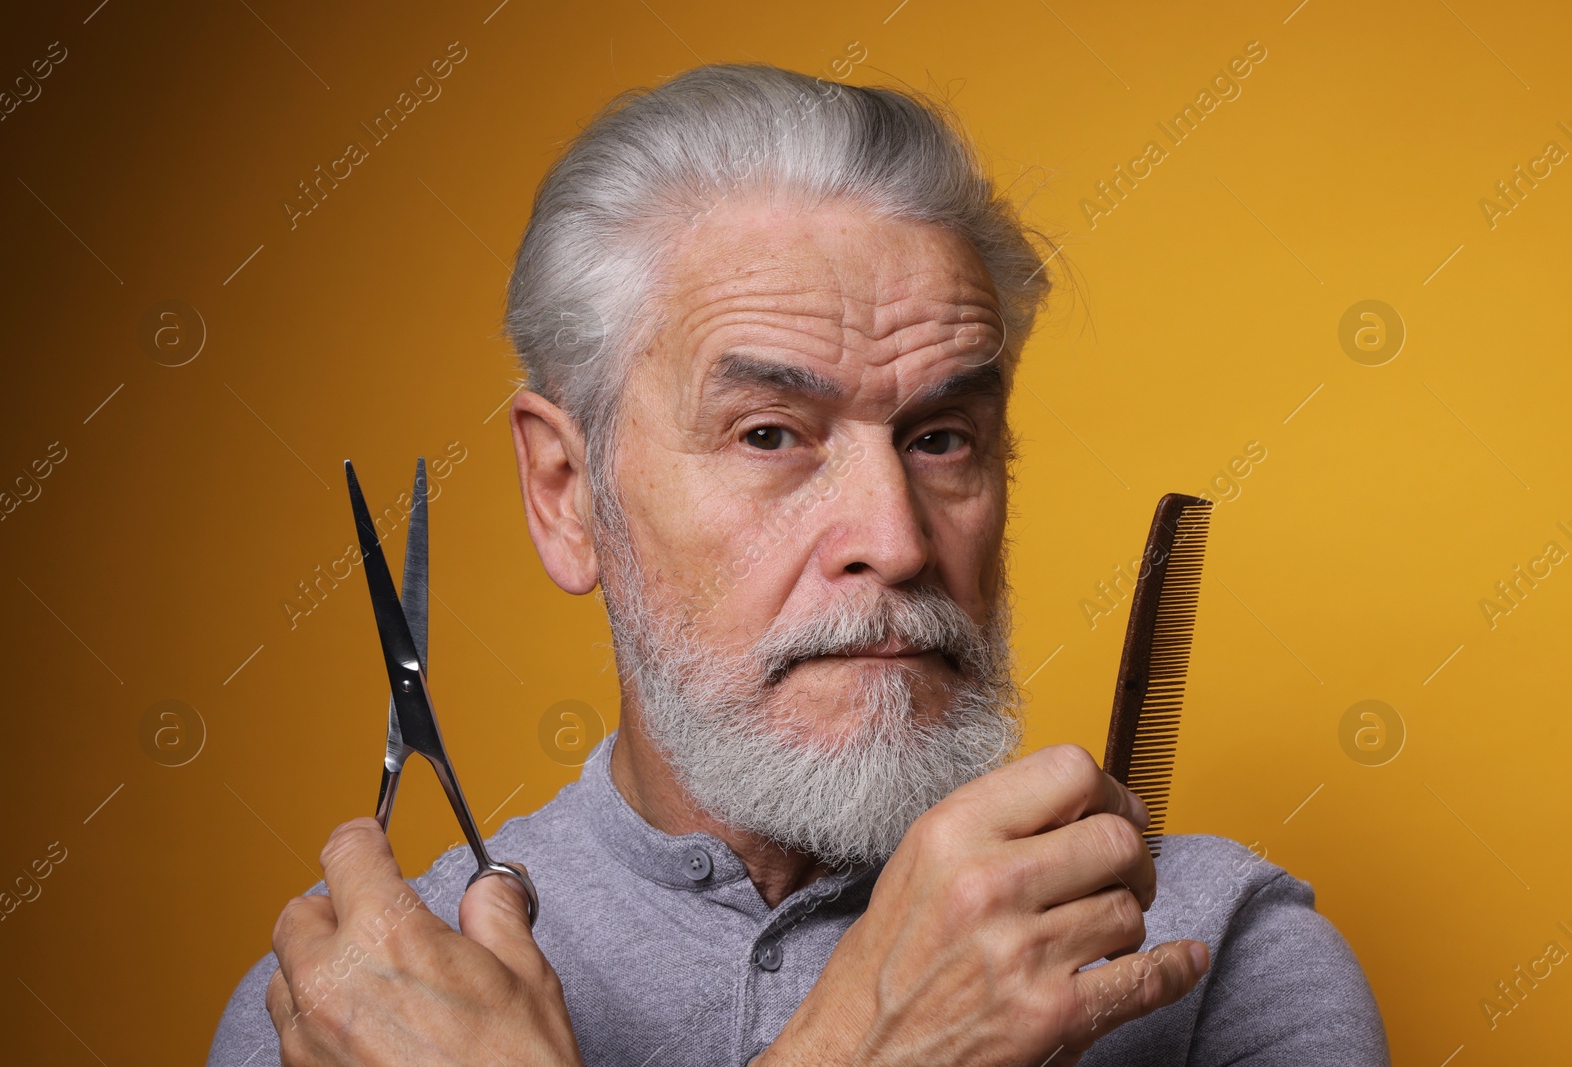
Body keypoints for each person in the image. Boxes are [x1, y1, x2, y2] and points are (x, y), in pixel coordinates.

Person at [207, 63, 1390, 1066]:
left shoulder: (1219, 958)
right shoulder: (350, 1011)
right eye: (770, 433)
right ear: (569, 495)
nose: (897, 535)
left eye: (940, 437)